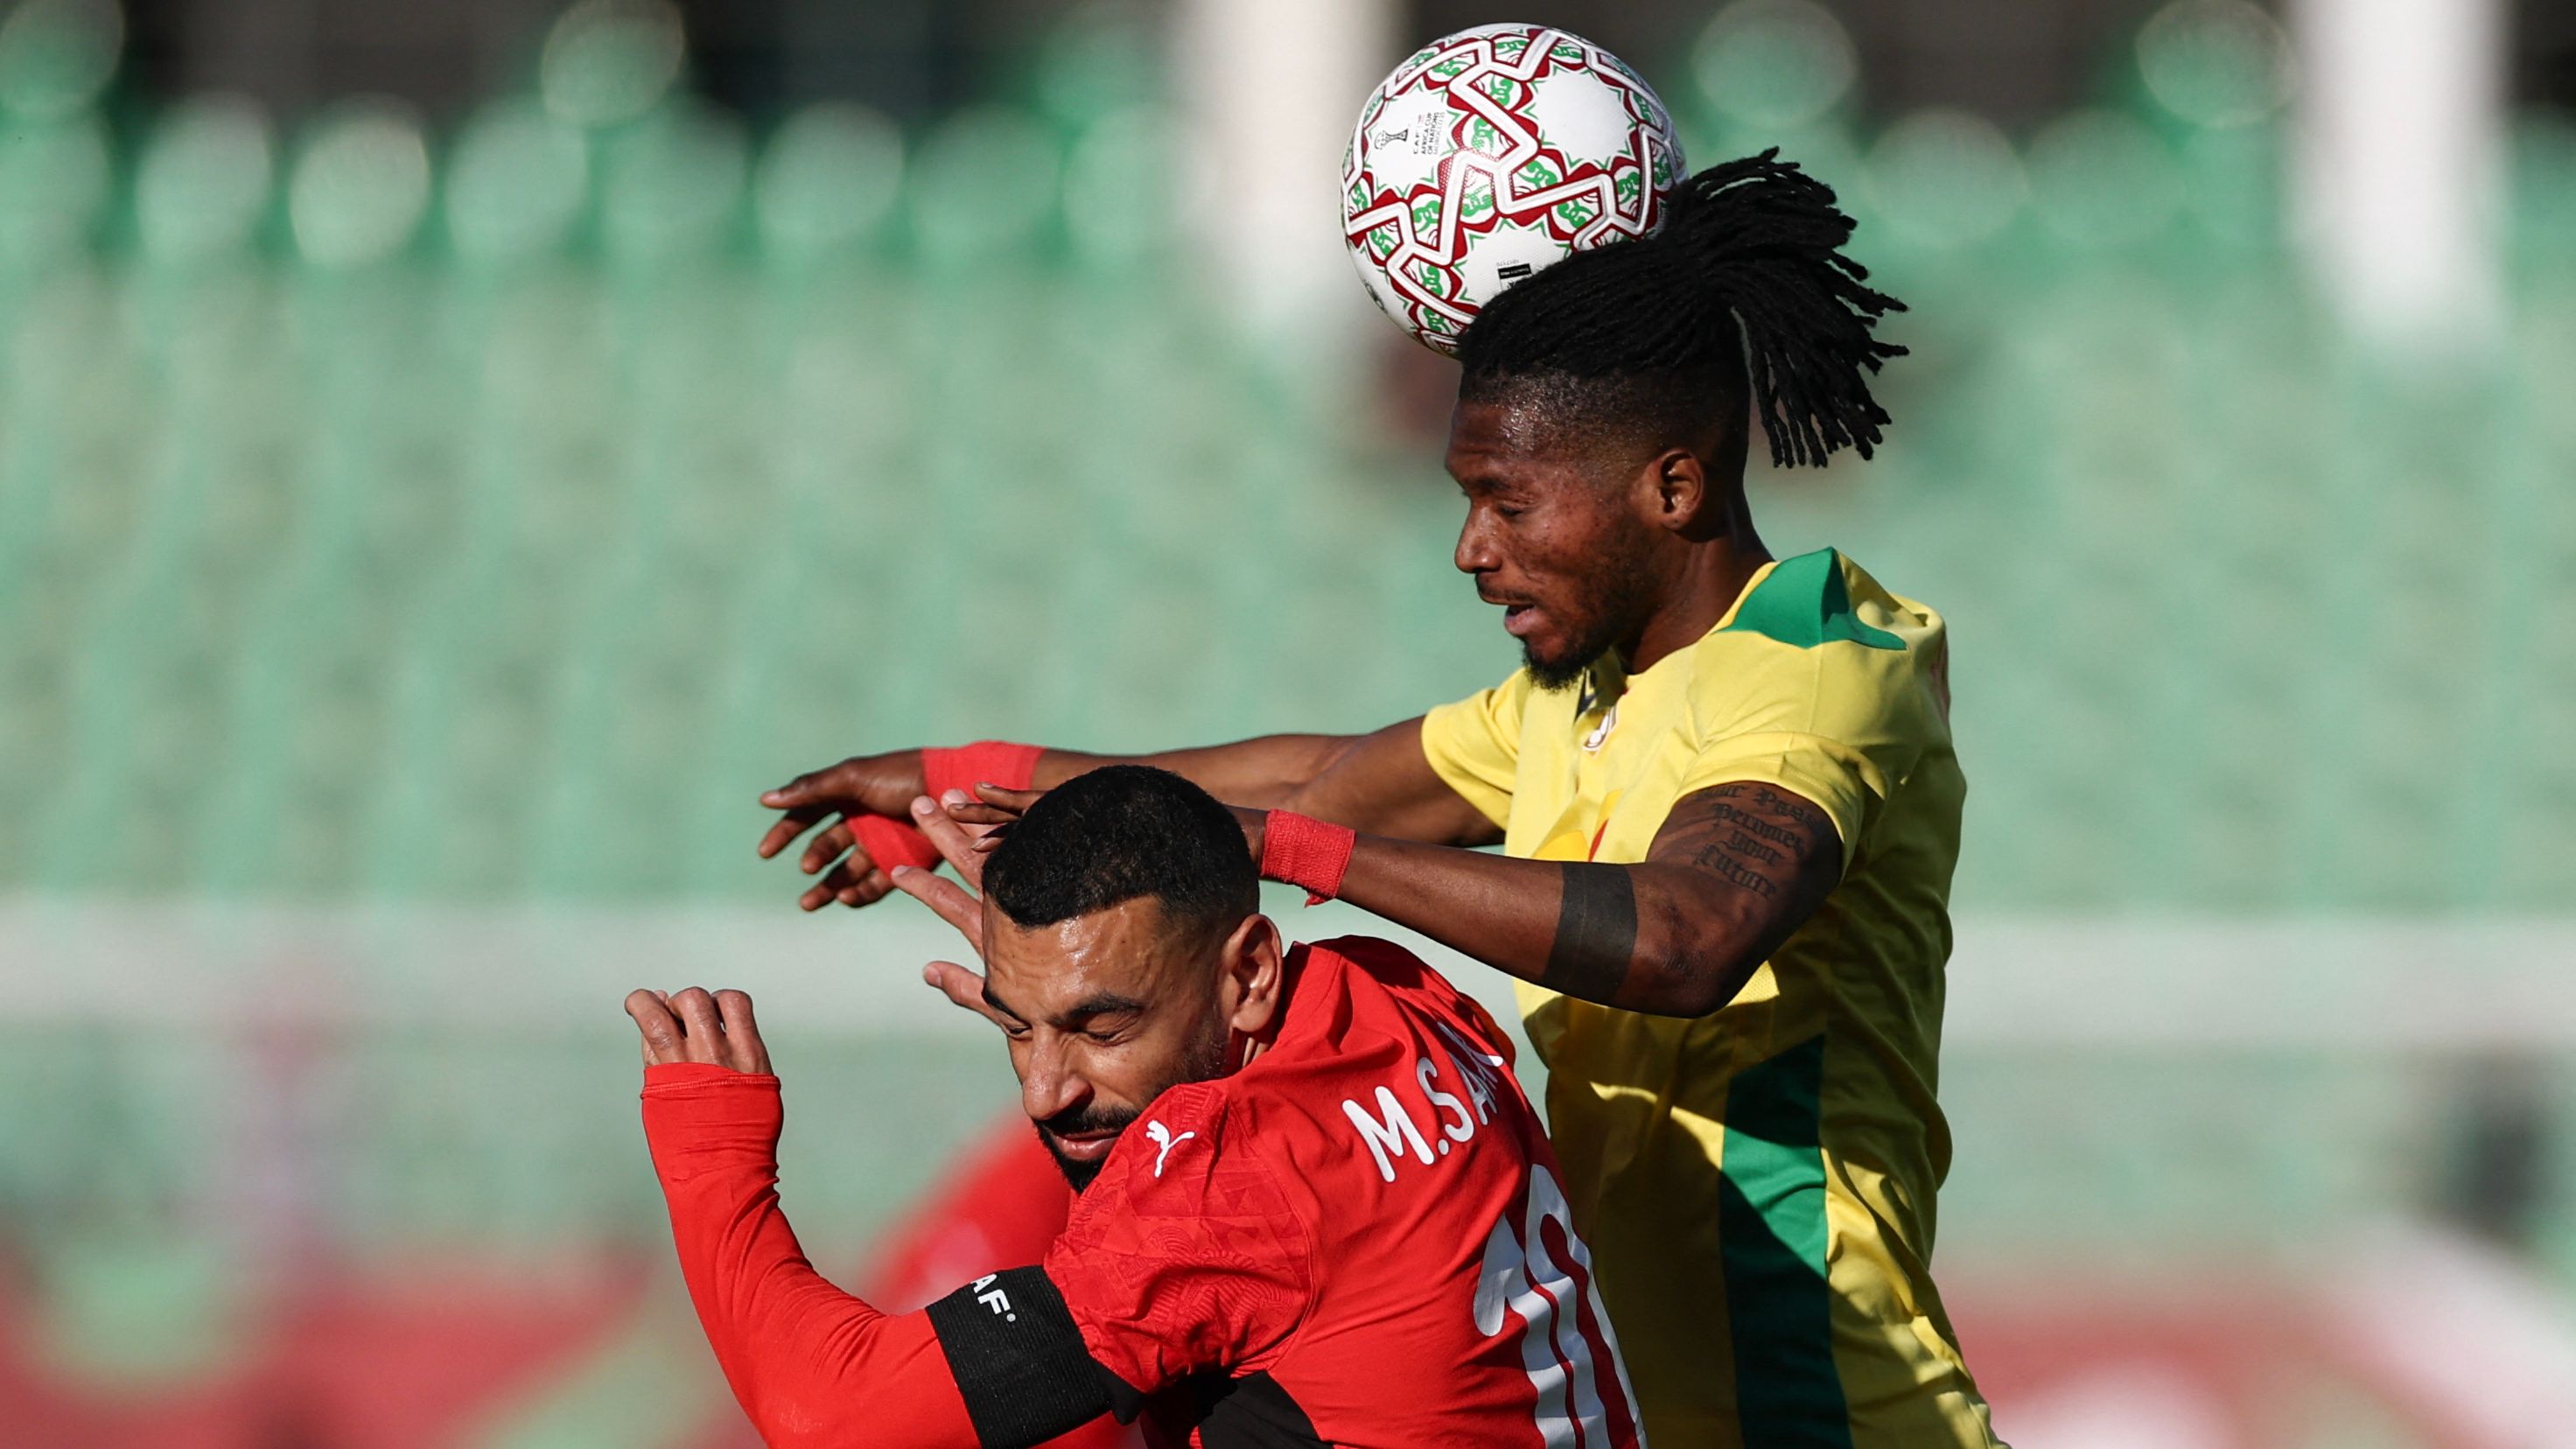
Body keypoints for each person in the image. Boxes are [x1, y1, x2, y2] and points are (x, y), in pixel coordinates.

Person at [758, 151, 1999, 1447]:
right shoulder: (1586, 700)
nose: (1471, 548)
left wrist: (1293, 850)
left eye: (1507, 504)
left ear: (1672, 486)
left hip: (1835, 1419)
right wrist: (973, 780)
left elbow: (1687, 934)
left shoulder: (1817, 667)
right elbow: (1310, 779)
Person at [633, 766, 1644, 1448]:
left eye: (1100, 1028)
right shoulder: (1385, 993)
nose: (1043, 1089)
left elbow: (831, 1414)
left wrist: (711, 1153)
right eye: (1015, 1027)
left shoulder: (1221, 1193)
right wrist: (1072, 988)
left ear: (1247, 970)